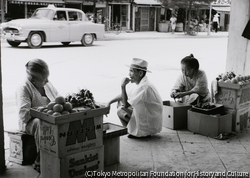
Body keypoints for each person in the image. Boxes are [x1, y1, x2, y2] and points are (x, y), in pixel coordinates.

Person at [16, 59, 58, 172]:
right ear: (32, 80)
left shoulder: (47, 84)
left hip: (48, 117)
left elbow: (57, 98)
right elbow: (24, 114)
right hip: (30, 122)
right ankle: (40, 158)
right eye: (44, 78)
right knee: (41, 123)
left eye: (47, 77)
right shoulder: (24, 88)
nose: (47, 80)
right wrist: (43, 111)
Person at [107, 58, 163, 139]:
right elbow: (124, 95)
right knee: (120, 102)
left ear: (140, 73)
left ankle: (139, 132)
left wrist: (123, 86)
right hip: (149, 115)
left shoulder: (144, 86)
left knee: (121, 109)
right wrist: (109, 102)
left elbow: (126, 105)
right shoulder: (142, 83)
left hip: (150, 118)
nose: (129, 74)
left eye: (132, 71)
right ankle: (132, 130)